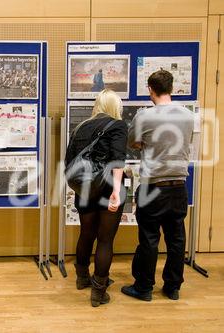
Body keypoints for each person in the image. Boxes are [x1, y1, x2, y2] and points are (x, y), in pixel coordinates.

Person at [122, 70, 194, 301]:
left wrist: (148, 145)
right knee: (176, 239)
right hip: (178, 185)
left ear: (150, 89)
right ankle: (173, 287)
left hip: (153, 185)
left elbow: (132, 142)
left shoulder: (144, 116)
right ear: (172, 88)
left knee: (149, 237)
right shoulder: (188, 115)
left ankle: (144, 288)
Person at [65, 89, 128, 307]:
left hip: (83, 189)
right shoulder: (118, 125)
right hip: (108, 186)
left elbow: (69, 162)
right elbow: (118, 161)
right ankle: (99, 292)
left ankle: (82, 278)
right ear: (114, 106)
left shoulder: (79, 127)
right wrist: (116, 191)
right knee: (105, 240)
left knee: (86, 233)